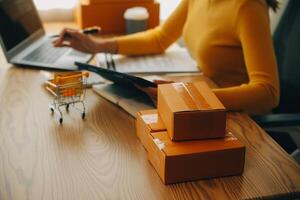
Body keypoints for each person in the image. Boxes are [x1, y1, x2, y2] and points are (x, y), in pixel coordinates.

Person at [53, 0, 280, 115]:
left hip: (235, 116)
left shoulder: (248, 7)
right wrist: (98, 45)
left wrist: (189, 96)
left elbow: (268, 93)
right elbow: (161, 38)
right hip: (204, 98)